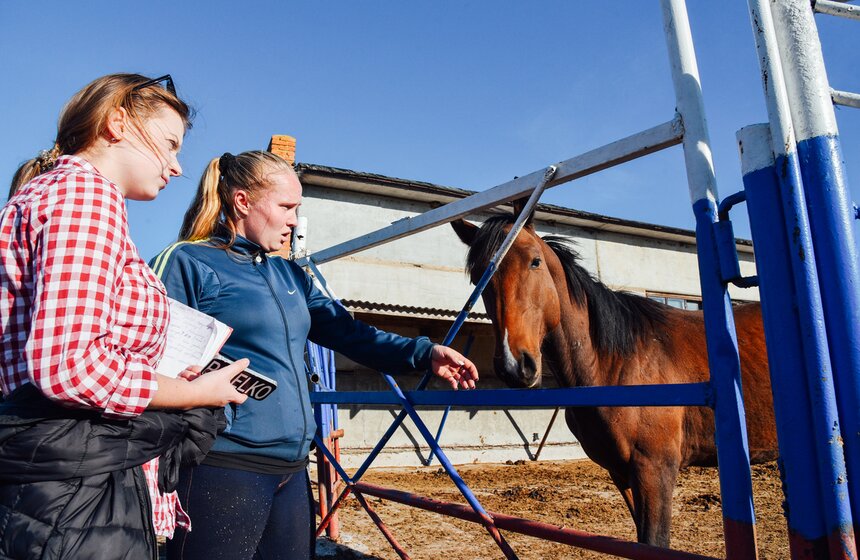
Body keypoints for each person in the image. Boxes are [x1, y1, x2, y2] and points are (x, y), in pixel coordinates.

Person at [151, 150, 479, 559]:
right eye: (286, 207)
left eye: (297, 209)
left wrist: (424, 353)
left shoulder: (291, 276)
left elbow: (350, 333)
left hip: (290, 468)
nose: (294, 220)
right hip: (223, 463)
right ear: (242, 202)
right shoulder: (188, 261)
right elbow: (153, 354)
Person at [0, 73, 250, 559]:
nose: (177, 167)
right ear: (117, 122)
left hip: (60, 476)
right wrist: (195, 394)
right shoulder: (86, 197)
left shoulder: (48, 194)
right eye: (170, 144)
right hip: (75, 493)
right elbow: (68, 366)